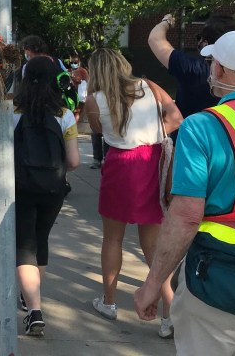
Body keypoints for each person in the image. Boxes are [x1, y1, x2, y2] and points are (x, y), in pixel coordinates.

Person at [134, 30, 235, 354]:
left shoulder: (203, 127)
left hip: (218, 285)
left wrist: (153, 285)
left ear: (219, 70)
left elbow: (187, 214)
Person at [84, 48, 182, 338]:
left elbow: (98, 130)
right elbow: (176, 117)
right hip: (151, 162)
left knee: (112, 237)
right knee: (153, 246)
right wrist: (153, 133)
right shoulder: (150, 86)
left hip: (119, 165)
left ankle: (109, 302)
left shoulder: (95, 99)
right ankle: (169, 315)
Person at [13, 56, 80, 336]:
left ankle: (34, 309)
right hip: (53, 188)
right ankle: (31, 300)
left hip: (21, 186)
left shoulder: (13, 111)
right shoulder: (64, 114)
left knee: (24, 246)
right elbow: (74, 160)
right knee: (41, 241)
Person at [148, 13, 235, 118]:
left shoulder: (193, 68)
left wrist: (166, 22)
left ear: (205, 43)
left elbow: (155, 39)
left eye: (199, 37)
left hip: (190, 132)